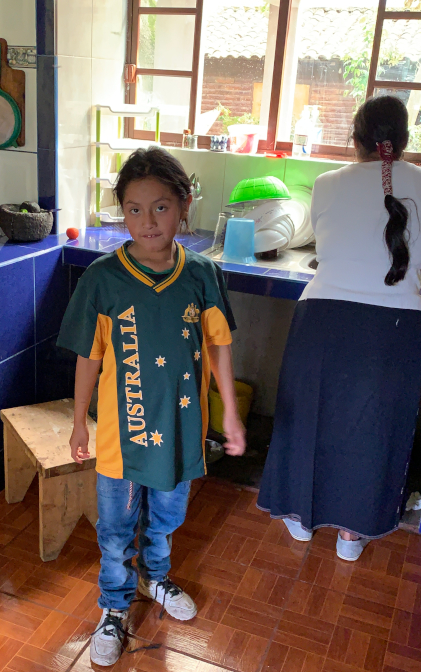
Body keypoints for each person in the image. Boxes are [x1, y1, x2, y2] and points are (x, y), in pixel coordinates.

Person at [57, 147, 246, 666]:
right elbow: (89, 359)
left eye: (160, 207)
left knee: (166, 517)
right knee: (115, 529)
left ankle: (156, 579)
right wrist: (79, 422)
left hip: (183, 432)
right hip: (122, 436)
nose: (147, 221)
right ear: (121, 211)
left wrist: (229, 412)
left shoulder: (202, 274)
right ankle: (114, 608)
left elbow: (219, 347)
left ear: (184, 206)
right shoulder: (103, 278)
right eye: (134, 209)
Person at [257, 95, 421, 562]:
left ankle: (302, 520)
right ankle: (353, 535)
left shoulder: (326, 184)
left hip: (324, 319)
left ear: (356, 140)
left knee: (309, 420)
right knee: (375, 431)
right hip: (397, 327)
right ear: (404, 139)